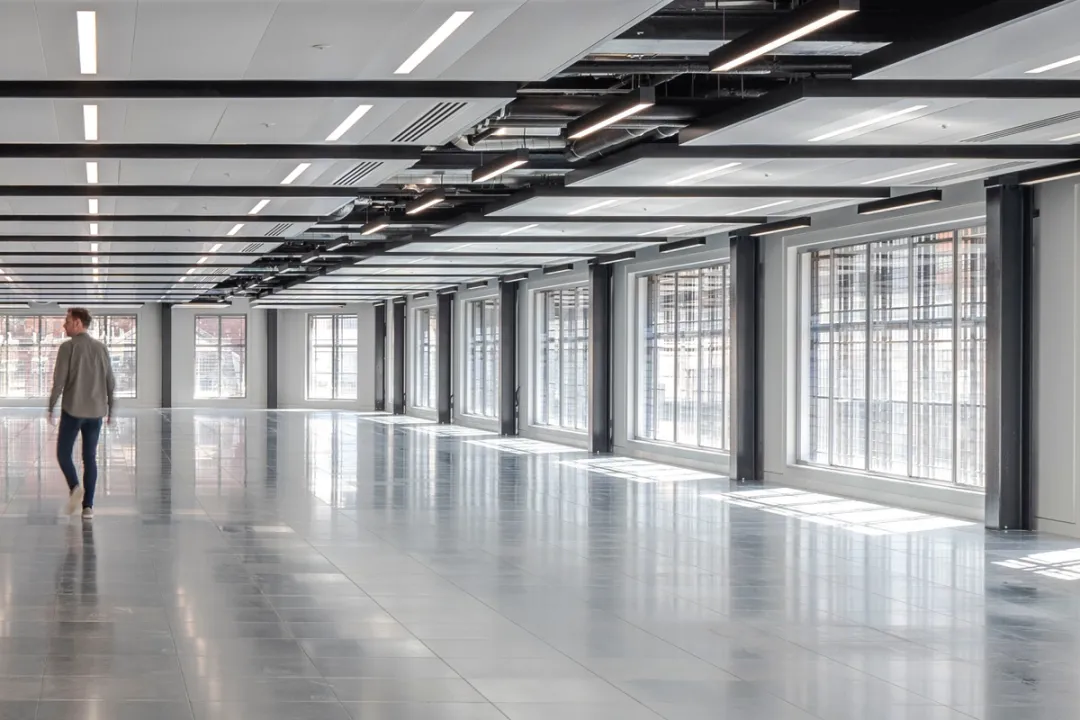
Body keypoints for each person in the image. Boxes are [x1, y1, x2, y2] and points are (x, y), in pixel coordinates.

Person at [47, 308, 115, 519]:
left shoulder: (68, 348)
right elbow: (110, 382)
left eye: (66, 321)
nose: (64, 326)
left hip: (73, 411)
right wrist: (111, 408)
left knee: (63, 454)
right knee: (90, 458)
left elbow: (59, 382)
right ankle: (88, 507)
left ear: (77, 323)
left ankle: (75, 487)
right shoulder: (101, 348)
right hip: (95, 413)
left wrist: (51, 406)